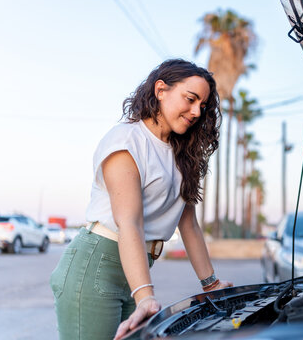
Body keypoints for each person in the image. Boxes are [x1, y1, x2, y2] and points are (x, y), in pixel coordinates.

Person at [50, 59, 233, 340]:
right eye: (191, 99)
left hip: (136, 270)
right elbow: (130, 223)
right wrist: (145, 296)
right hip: (97, 266)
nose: (197, 111)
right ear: (161, 90)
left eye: (203, 105)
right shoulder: (126, 141)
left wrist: (211, 284)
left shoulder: (181, 155)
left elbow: (189, 226)